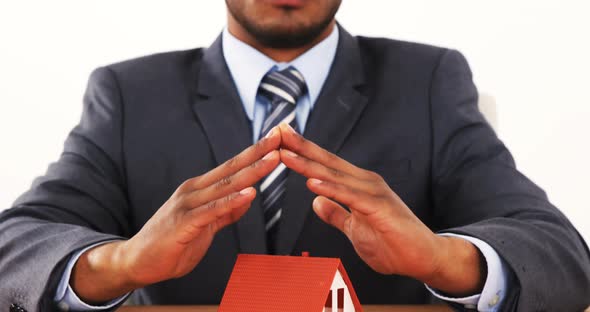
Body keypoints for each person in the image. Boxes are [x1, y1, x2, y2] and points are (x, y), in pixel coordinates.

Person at [1, 0, 589, 311]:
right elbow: (15, 248)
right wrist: (121, 265)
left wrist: (439, 258)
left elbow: (562, 258)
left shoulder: (429, 80)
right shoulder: (129, 94)